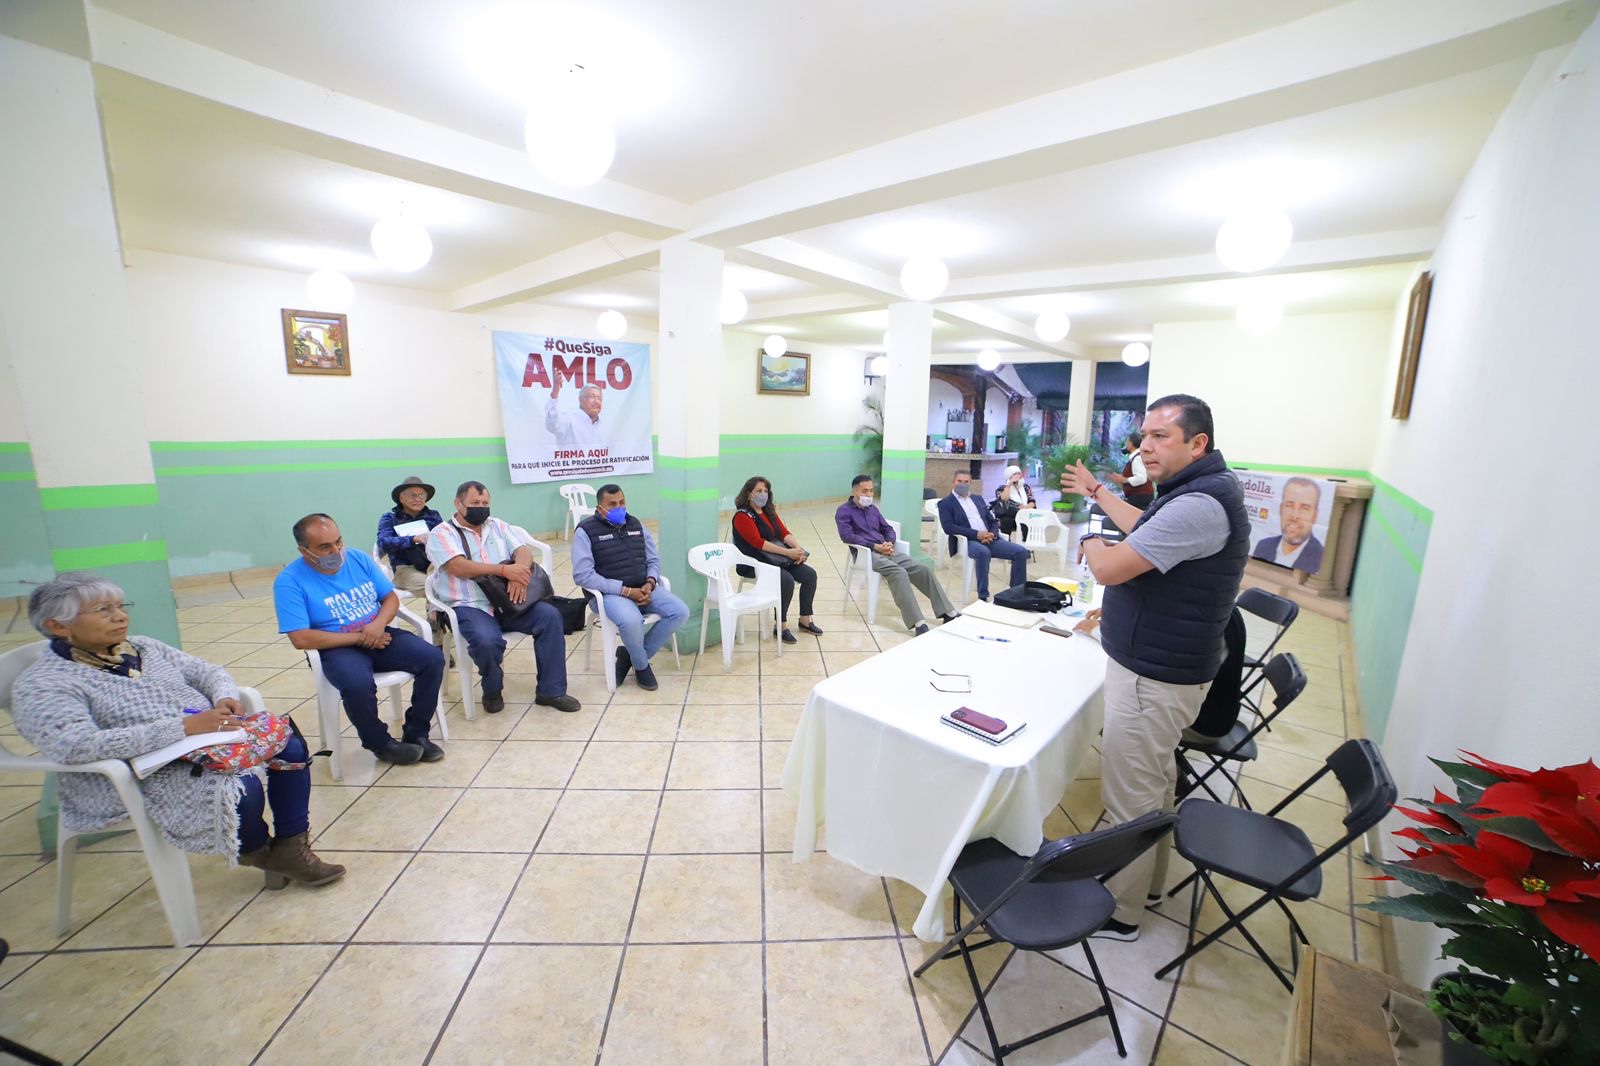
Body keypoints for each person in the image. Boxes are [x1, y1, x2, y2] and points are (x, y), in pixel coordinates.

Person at [1060, 393, 1250, 940]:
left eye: (1160, 436)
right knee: (1154, 785)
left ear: (1198, 443)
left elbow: (1116, 566)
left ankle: (1119, 914)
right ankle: (1149, 886)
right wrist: (1100, 493)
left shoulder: (1198, 503)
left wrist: (1092, 535)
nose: (1145, 446)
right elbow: (1148, 527)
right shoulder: (1201, 490)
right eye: (1144, 435)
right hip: (1166, 665)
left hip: (1153, 676)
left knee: (1129, 797)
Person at [13, 573, 344, 888]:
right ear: (57, 626)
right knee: (241, 788)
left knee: (290, 743)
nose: (119, 617)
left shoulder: (142, 647)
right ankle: (258, 852)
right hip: (144, 767)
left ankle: (291, 846)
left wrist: (223, 695)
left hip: (206, 738)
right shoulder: (44, 683)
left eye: (119, 607)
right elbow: (75, 746)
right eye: (103, 610)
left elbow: (205, 671)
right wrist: (181, 728)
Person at [274, 513, 445, 765]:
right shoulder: (289, 582)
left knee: (432, 658)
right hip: (335, 647)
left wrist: (376, 626)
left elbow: (390, 598)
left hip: (379, 634)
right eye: (324, 547)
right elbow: (300, 638)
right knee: (356, 684)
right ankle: (380, 744)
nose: (336, 550)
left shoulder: (357, 559)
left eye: (338, 542)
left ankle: (417, 733)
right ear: (304, 550)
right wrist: (359, 637)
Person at [425, 481, 581, 714]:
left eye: (485, 503)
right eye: (475, 503)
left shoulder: (498, 526)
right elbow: (459, 567)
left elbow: (523, 551)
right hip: (469, 605)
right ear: (458, 504)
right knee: (487, 641)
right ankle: (492, 688)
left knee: (550, 616)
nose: (481, 507)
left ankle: (551, 690)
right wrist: (504, 571)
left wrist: (519, 574)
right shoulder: (442, 533)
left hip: (508, 600)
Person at [572, 484, 691, 690]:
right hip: (609, 595)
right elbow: (583, 575)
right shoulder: (586, 531)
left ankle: (629, 655)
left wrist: (649, 583)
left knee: (680, 612)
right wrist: (625, 591)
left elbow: (653, 559)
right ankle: (642, 667)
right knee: (632, 620)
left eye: (622, 503)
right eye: (612, 504)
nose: (619, 508)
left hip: (643, 588)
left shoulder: (635, 524)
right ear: (600, 507)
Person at [835, 474, 958, 635]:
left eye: (871, 491)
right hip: (866, 555)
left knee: (922, 569)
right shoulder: (843, 511)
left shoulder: (873, 510)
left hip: (885, 550)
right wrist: (875, 546)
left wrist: (889, 543)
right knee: (899, 573)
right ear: (854, 492)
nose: (869, 494)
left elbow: (887, 529)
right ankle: (917, 621)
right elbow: (847, 536)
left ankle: (946, 611)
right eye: (864, 491)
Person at [731, 476, 822, 642]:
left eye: (766, 491)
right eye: (759, 491)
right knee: (786, 580)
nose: (763, 494)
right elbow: (758, 543)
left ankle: (805, 619)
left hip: (776, 558)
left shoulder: (768, 512)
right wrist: (787, 553)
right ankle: (781, 625)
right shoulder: (742, 516)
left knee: (810, 575)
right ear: (749, 494)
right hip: (754, 562)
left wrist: (797, 549)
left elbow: (783, 532)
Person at [938, 470, 1029, 600]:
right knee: (983, 552)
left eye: (966, 482)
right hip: (968, 541)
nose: (962, 484)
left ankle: (1017, 593)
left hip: (990, 538)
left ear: (970, 483)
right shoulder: (946, 503)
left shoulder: (978, 499)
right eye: (959, 481)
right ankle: (983, 596)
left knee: (1020, 552)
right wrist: (977, 534)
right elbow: (949, 527)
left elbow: (992, 520)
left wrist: (992, 533)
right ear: (953, 482)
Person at [376, 476, 445, 594]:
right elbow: (383, 542)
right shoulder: (390, 518)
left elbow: (444, 539)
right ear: (401, 498)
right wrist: (413, 539)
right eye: (413, 495)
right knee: (435, 588)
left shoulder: (433, 516)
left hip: (433, 565)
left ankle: (435, 612)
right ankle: (435, 612)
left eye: (421, 495)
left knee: (449, 583)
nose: (418, 499)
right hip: (406, 569)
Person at [1250, 477, 1325, 573]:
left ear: (1315, 515)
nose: (1294, 516)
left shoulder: (1321, 557)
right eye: (1289, 505)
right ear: (1281, 509)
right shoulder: (1263, 546)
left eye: (1304, 508)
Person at [545, 379, 606, 449]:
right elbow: (552, 425)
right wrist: (554, 394)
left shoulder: (603, 426)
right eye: (592, 396)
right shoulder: (568, 419)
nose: (597, 401)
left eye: (599, 398)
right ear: (581, 399)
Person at [1107, 433, 1154, 511]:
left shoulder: (1137, 458)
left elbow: (1141, 478)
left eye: (1127, 442)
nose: (1126, 444)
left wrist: (1124, 480)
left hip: (1139, 498)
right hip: (1140, 497)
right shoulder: (1138, 456)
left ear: (1131, 444)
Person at [991, 464, 1036, 537]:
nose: (1018, 476)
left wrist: (1026, 507)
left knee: (1026, 518)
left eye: (1019, 473)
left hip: (1025, 513)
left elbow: (1032, 502)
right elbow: (1004, 499)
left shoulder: (1025, 487)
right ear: (1009, 476)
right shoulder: (1002, 488)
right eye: (1015, 474)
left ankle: (1026, 541)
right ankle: (1006, 541)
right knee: (1006, 519)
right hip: (1010, 515)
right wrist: (1009, 485)